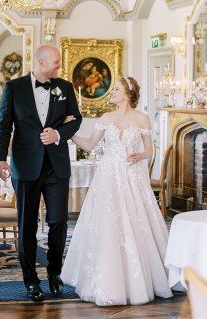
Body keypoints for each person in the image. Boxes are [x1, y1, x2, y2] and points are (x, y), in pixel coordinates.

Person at [61, 76, 173, 305]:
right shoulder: (106, 118)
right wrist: (68, 132)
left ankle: (141, 280)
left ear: (128, 94)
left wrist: (140, 155)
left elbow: (151, 150)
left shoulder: (142, 119)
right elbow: (89, 144)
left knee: (135, 221)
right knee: (108, 224)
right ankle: (107, 280)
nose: (111, 92)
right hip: (108, 177)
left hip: (132, 177)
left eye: (116, 89)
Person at [0, 44, 82, 302]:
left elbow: (76, 119)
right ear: (41, 62)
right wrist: (1, 159)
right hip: (25, 165)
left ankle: (55, 274)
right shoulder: (14, 88)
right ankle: (31, 281)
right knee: (27, 224)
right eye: (56, 62)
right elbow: (3, 126)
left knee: (58, 221)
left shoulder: (64, 88)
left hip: (56, 165)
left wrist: (58, 134)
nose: (60, 67)